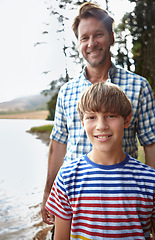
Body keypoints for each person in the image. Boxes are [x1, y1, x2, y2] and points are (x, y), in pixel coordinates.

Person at [41, 2, 155, 225]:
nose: (91, 43)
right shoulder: (66, 92)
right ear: (79, 43)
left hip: (124, 201)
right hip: (74, 199)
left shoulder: (139, 86)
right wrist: (48, 192)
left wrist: (151, 199)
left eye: (98, 35)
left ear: (111, 37)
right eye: (84, 38)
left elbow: (151, 143)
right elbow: (58, 144)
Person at [45, 82, 155, 240]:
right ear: (83, 123)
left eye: (111, 115)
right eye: (91, 117)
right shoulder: (67, 177)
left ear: (126, 120)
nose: (101, 126)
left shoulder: (149, 179)